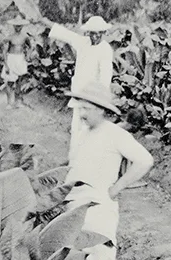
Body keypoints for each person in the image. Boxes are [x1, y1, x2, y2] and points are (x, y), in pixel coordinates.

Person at [62, 82, 154, 260]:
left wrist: (117, 186)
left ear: (102, 110)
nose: (82, 113)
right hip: (77, 209)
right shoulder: (86, 133)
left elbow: (145, 160)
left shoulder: (114, 134)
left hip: (97, 213)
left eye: (88, 108)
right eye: (80, 107)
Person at [37, 14, 115, 160]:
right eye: (93, 33)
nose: (96, 36)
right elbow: (64, 33)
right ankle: (74, 159)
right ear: (89, 33)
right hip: (79, 93)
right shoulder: (82, 42)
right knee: (76, 127)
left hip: (93, 97)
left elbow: (105, 76)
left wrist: (101, 99)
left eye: (99, 33)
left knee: (88, 129)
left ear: (103, 33)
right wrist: (43, 20)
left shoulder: (105, 49)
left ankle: (86, 160)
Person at [0, 17, 31, 107]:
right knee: (9, 81)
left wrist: (28, 55)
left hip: (20, 58)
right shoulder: (9, 37)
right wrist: (6, 64)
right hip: (11, 59)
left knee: (19, 81)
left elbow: (31, 47)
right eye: (16, 26)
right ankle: (10, 102)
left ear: (22, 26)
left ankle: (18, 101)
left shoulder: (25, 37)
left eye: (20, 26)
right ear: (13, 26)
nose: (18, 28)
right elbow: (4, 51)